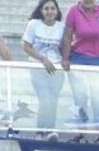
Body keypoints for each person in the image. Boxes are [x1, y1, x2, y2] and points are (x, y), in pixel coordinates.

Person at [61, 0, 99, 142]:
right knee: (80, 99)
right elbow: (67, 36)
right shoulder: (73, 11)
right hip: (78, 59)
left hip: (97, 60)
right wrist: (65, 58)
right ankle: (81, 134)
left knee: (98, 99)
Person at [23, 0, 67, 140]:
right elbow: (26, 46)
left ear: (57, 11)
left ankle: (50, 131)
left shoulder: (62, 26)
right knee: (45, 100)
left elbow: (64, 47)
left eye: (52, 8)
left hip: (56, 69)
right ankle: (40, 132)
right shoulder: (34, 24)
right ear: (41, 11)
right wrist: (42, 59)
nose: (49, 11)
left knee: (53, 100)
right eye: (46, 8)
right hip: (38, 68)